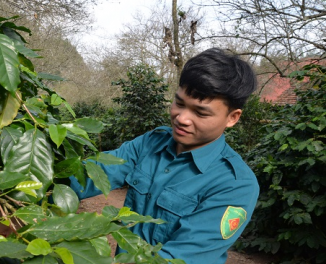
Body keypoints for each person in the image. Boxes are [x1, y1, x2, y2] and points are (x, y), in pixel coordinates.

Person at [70, 48, 260, 264]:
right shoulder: (151, 142)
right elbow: (90, 175)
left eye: (200, 112)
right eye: (179, 103)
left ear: (232, 118)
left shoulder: (235, 185)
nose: (182, 118)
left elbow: (179, 258)